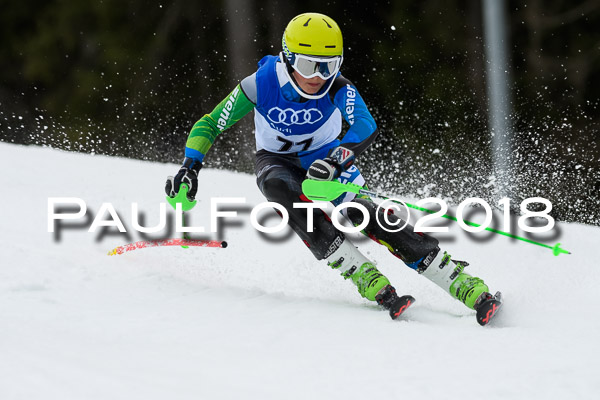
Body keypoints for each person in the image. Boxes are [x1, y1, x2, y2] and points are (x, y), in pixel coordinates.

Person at [166, 12, 500, 323]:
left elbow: (365, 125)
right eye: (308, 65)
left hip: (327, 158)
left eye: (328, 66)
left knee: (363, 214)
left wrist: (336, 159)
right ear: (287, 58)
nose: (317, 77)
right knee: (279, 189)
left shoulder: (339, 87)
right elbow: (210, 124)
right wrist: (189, 167)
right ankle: (361, 273)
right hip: (277, 160)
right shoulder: (261, 83)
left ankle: (458, 280)